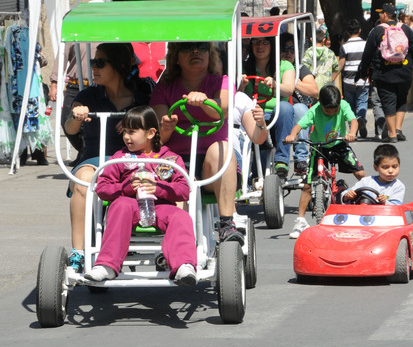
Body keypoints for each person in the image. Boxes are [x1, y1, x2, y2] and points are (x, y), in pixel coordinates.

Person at [84, 106, 197, 285]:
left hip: (161, 207)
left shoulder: (169, 159)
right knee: (120, 205)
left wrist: (158, 188)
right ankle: (107, 265)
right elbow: (103, 188)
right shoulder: (120, 158)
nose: (126, 137)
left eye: (132, 132)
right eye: (125, 131)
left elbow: (184, 189)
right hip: (129, 205)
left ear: (150, 133)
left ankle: (184, 265)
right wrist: (126, 187)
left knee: (181, 216)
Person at [64, 43, 151, 271]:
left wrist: (136, 122)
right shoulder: (88, 96)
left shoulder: (142, 97)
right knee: (83, 180)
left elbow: (156, 130)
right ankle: (78, 252)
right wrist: (76, 116)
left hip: (132, 162)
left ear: (119, 65)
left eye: (100, 62)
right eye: (93, 62)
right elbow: (70, 128)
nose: (93, 67)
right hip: (95, 160)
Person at [150, 42, 242, 243]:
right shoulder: (164, 86)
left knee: (223, 149)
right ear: (176, 57)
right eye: (187, 48)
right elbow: (158, 137)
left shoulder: (222, 81)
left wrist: (204, 102)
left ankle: (227, 223)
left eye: (201, 47)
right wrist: (167, 127)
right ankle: (177, 237)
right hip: (175, 162)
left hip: (212, 164)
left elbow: (223, 109)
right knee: (171, 165)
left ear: (209, 54)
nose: (195, 51)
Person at [284, 85, 366, 238]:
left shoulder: (343, 105)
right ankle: (300, 221)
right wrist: (292, 135)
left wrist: (352, 132)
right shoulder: (314, 110)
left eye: (335, 111)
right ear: (320, 103)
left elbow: (353, 120)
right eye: (327, 111)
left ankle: (369, 201)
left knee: (360, 173)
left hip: (339, 143)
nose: (332, 113)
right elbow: (299, 125)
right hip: (319, 146)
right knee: (308, 184)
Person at [357, 3, 413, 143]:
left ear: (385, 15)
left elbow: (367, 54)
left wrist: (363, 71)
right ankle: (398, 129)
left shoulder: (377, 30)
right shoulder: (405, 29)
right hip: (405, 71)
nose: (380, 15)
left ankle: (392, 135)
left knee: (388, 101)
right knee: (401, 100)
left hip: (384, 73)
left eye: (381, 13)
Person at [240, 37, 295, 178]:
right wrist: (242, 86)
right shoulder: (243, 67)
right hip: (252, 114)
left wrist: (276, 84)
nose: (260, 46)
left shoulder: (284, 65)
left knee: (285, 107)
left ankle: (281, 160)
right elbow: (237, 97)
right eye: (256, 42)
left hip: (276, 115)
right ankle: (248, 173)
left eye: (265, 42)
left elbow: (289, 90)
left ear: (272, 45)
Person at [50, 42, 97, 166]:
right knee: (67, 120)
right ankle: (84, 150)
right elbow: (62, 57)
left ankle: (86, 154)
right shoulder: (74, 34)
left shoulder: (106, 33)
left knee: (93, 122)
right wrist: (54, 83)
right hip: (75, 85)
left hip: (98, 85)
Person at [281, 32, 318, 174]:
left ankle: (301, 158)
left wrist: (292, 82)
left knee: (300, 109)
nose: (289, 53)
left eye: (292, 49)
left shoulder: (300, 69)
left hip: (297, 109)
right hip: (278, 110)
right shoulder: (274, 67)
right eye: (285, 48)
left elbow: (314, 90)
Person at [338, 19, 369, 138]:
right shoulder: (366, 44)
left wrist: (333, 77)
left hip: (348, 80)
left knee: (350, 105)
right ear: (360, 30)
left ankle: (353, 129)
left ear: (347, 32)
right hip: (363, 79)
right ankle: (361, 118)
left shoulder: (344, 47)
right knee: (362, 101)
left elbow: (341, 64)